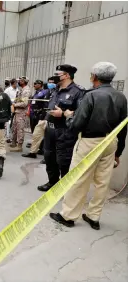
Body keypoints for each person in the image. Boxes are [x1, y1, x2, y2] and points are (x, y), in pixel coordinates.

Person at [50, 62, 127, 230]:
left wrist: (67, 115)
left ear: (94, 76)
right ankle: (93, 217)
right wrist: (118, 152)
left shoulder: (90, 95)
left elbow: (77, 124)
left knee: (78, 179)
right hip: (110, 142)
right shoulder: (121, 97)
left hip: (90, 142)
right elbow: (123, 127)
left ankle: (68, 216)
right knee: (102, 182)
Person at [38, 64, 86, 192]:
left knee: (64, 160)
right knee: (49, 157)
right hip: (50, 130)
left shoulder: (78, 92)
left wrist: (63, 113)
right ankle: (52, 182)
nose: (55, 77)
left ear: (67, 75)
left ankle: (65, 188)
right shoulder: (55, 90)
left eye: (58, 74)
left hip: (65, 131)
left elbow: (82, 114)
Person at [23, 77, 55, 159]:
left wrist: (43, 115)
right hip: (36, 114)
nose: (34, 85)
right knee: (35, 133)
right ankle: (35, 151)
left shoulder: (47, 92)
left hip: (45, 116)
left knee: (44, 135)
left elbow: (46, 105)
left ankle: (41, 151)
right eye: (49, 82)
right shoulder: (43, 92)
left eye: (36, 84)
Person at [10, 76, 31, 152]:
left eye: (20, 81)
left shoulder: (26, 90)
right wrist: (14, 103)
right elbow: (18, 99)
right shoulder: (21, 90)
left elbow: (24, 103)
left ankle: (19, 146)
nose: (18, 82)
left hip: (22, 112)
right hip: (17, 112)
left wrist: (14, 105)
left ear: (24, 81)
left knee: (20, 129)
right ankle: (14, 143)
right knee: (15, 128)